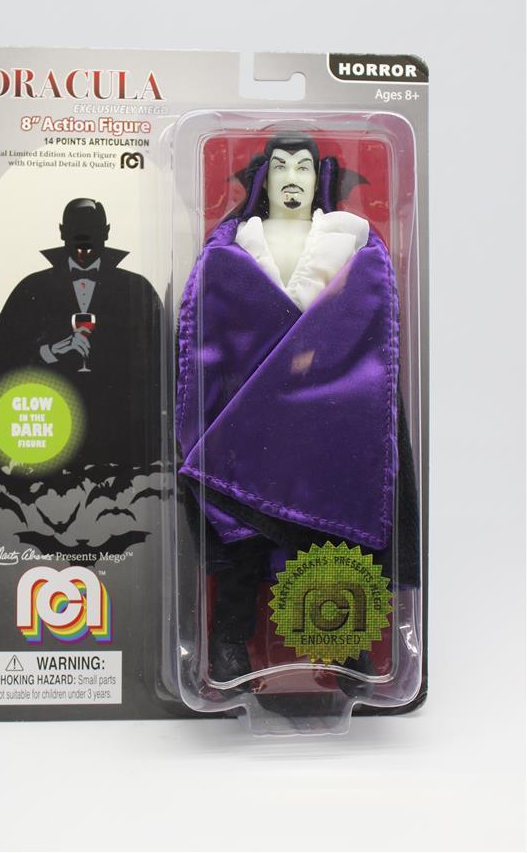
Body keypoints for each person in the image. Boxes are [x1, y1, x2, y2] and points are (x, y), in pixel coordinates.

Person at [176, 136, 419, 688]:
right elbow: (216, 324)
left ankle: (344, 647)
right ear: (263, 179)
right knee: (242, 531)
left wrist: (323, 348)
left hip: (327, 407)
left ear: (319, 179)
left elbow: (365, 315)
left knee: (332, 531)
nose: (292, 177)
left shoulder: (349, 241)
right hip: (250, 410)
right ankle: (230, 642)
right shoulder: (236, 245)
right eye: (281, 166)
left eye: (304, 167)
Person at [0, 197, 163, 469]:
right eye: (76, 235)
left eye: (91, 234)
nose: (83, 246)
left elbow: (160, 371)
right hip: (48, 440)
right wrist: (51, 351)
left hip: (121, 443)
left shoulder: (138, 289)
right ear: (62, 232)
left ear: (106, 232)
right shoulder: (31, 289)